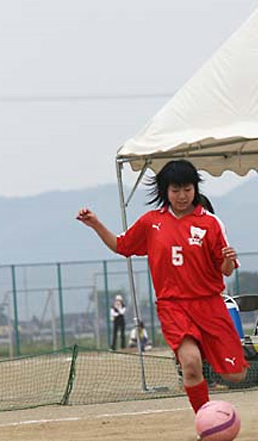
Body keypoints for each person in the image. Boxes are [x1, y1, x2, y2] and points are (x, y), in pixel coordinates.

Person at [77, 159, 247, 413]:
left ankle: (208, 349)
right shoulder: (151, 222)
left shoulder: (210, 223)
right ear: (165, 191)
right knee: (190, 365)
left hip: (210, 304)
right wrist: (96, 225)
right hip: (173, 306)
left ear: (195, 190)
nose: (181, 196)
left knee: (237, 375)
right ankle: (206, 417)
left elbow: (226, 271)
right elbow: (121, 246)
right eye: (175, 190)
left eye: (187, 190)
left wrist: (227, 260)